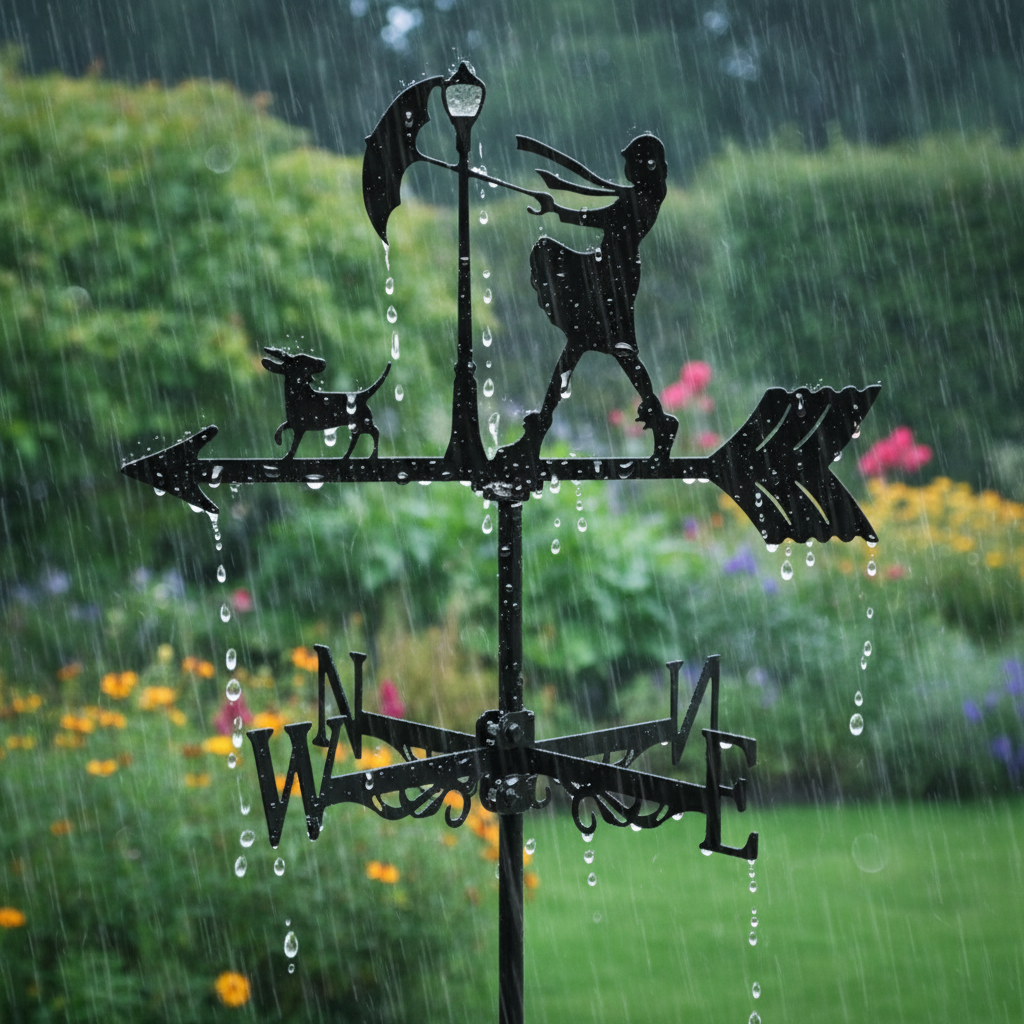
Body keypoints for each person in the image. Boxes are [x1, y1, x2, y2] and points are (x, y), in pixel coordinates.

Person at [506, 133, 678, 463]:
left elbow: (598, 217)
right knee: (593, 349)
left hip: (613, 281)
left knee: (614, 349)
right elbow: (596, 214)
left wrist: (557, 207)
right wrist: (556, 206)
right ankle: (541, 430)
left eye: (630, 164)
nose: (625, 170)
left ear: (643, 167)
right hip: (605, 275)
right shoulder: (640, 197)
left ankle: (540, 430)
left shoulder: (641, 201)